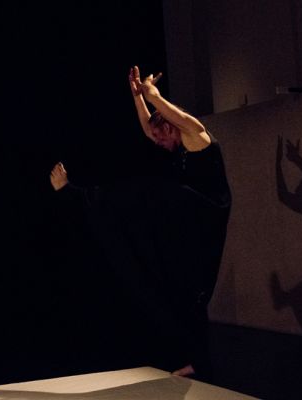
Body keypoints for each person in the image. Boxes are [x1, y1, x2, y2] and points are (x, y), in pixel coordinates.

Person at [49, 66, 231, 379]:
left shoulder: (196, 134)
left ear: (171, 128)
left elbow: (175, 118)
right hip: (189, 218)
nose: (156, 141)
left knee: (146, 190)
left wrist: (153, 94)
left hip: (206, 210)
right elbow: (149, 128)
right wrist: (137, 97)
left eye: (161, 136)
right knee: (189, 289)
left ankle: (76, 195)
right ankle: (199, 361)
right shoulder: (172, 139)